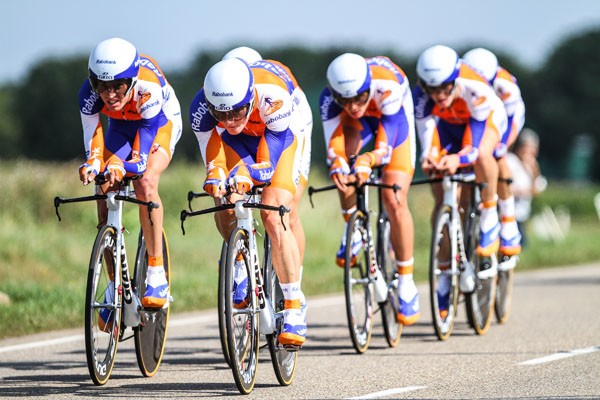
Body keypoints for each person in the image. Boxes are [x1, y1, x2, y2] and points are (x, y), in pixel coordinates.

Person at [189, 57, 313, 347]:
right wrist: (217, 177)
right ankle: (242, 262)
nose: (230, 121)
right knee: (225, 197)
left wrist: (247, 173)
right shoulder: (201, 108)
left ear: (250, 97)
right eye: (222, 115)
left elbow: (267, 166)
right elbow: (214, 158)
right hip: (241, 142)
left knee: (276, 211)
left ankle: (294, 305)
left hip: (279, 137)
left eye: (237, 111)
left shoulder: (273, 98)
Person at [78, 38, 182, 321]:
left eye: (118, 86)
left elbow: (140, 157)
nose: (109, 94)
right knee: (104, 183)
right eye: (102, 86)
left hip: (157, 124)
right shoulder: (88, 95)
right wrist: (93, 164)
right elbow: (94, 142)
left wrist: (127, 166)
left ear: (132, 80)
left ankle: (156, 270)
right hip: (121, 127)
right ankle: (115, 283)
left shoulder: (148, 88)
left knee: (145, 180)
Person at [319, 53, 419, 325]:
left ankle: (407, 282)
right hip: (361, 127)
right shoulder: (329, 101)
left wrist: (368, 159)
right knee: (343, 166)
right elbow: (334, 147)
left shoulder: (387, 86)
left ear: (368, 86)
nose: (352, 106)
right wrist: (340, 164)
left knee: (393, 196)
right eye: (344, 101)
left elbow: (387, 143)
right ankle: (353, 226)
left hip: (393, 123)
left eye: (358, 98)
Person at [414, 45, 507, 315]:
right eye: (432, 90)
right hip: (449, 127)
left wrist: (458, 159)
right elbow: (427, 134)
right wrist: (430, 157)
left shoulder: (474, 87)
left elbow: (475, 146)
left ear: (455, 79)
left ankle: (490, 213)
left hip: (483, 123)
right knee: (442, 194)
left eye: (444, 88)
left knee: (482, 158)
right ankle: (444, 271)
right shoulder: (421, 96)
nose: (439, 95)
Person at [220, 47, 311, 292]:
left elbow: (272, 155)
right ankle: (240, 264)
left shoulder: (271, 93)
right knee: (229, 195)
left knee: (286, 210)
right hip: (250, 131)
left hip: (290, 127)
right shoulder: (225, 97)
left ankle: (294, 288)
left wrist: (256, 174)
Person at [463, 47, 526, 260]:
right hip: (477, 114)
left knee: (497, 154)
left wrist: (502, 144)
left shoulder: (505, 86)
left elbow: (507, 121)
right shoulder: (466, 82)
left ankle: (508, 218)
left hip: (507, 117)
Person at [506, 128, 546, 246]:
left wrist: (534, 169)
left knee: (522, 244)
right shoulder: (510, 161)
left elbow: (538, 188)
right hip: (509, 213)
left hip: (522, 214)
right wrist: (521, 191)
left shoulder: (531, 166)